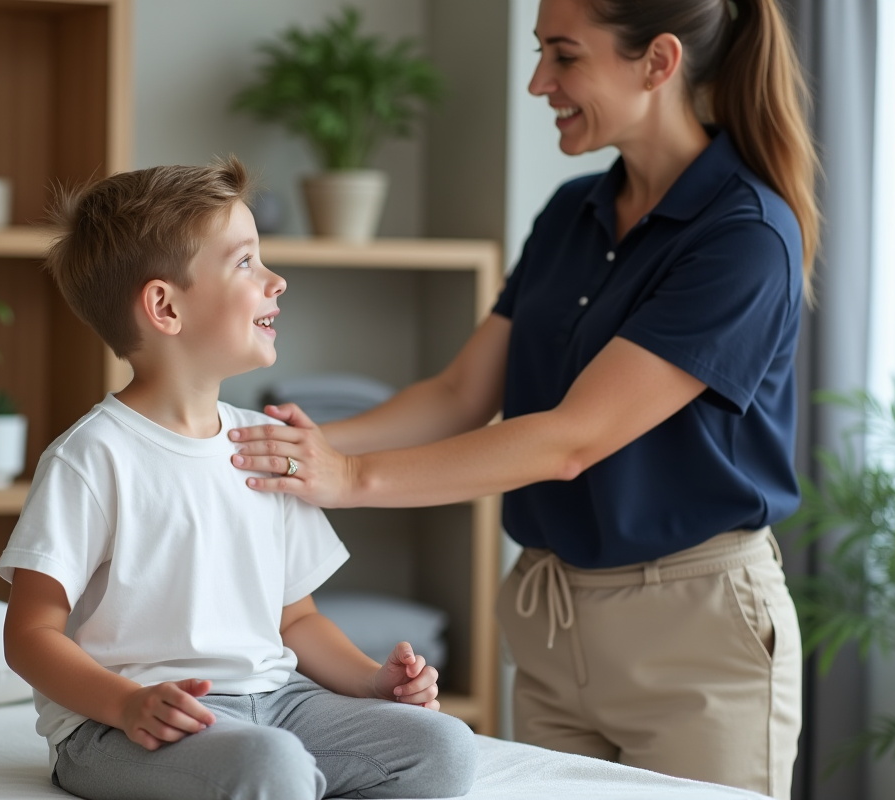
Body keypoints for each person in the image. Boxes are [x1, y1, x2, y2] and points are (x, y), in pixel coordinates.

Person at [227, 0, 815, 797]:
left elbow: (572, 440)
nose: (540, 81)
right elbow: (461, 392)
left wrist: (349, 478)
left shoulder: (744, 234)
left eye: (564, 56)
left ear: (658, 61)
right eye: (541, 53)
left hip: (693, 636)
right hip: (552, 620)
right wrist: (312, 448)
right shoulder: (572, 212)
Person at [0, 159, 478, 800]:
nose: (276, 280)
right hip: (125, 724)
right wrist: (126, 704)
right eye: (246, 262)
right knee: (270, 765)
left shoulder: (266, 443)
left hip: (279, 701)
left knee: (444, 747)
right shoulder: (90, 458)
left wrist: (370, 682)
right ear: (165, 306)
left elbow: (296, 619)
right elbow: (29, 636)